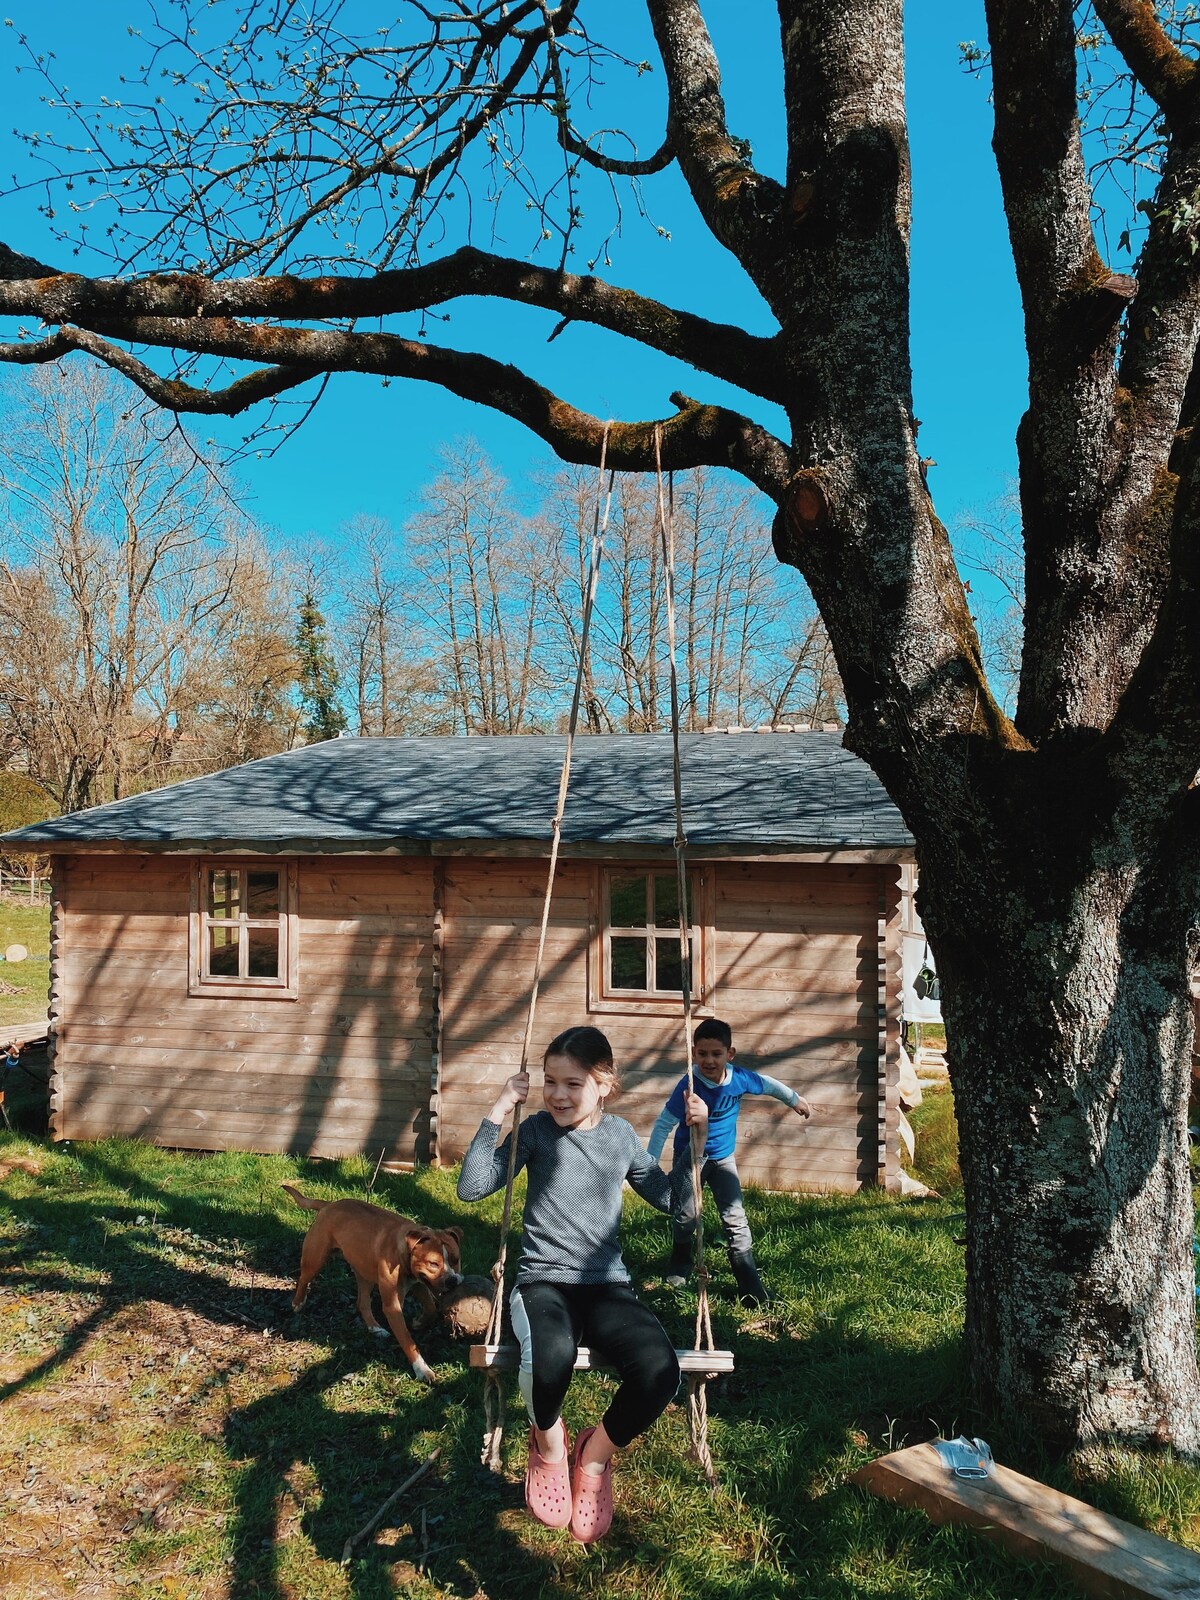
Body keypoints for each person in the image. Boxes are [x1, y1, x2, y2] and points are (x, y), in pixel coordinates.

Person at [457, 1024, 708, 1544]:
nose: (557, 1094)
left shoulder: (619, 1137)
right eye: (550, 1081)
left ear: (604, 1083)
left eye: (573, 1083)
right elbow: (471, 1187)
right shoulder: (536, 1133)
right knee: (550, 1355)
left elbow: (675, 1203)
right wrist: (500, 1108)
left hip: (606, 1287)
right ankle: (550, 1447)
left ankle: (593, 1459)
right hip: (542, 1283)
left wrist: (695, 1142)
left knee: (660, 1373)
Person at [647, 1017, 812, 1305]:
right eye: (702, 1054)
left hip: (723, 1160)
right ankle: (680, 1262)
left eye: (716, 1054)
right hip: (691, 1160)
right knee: (686, 1216)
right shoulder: (688, 1085)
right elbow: (663, 1124)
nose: (708, 1061)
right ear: (693, 1054)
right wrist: (649, 1164)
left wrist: (795, 1100)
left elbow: (769, 1085)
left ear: (729, 1054)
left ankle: (749, 1284)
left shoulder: (739, 1079)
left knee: (735, 1218)